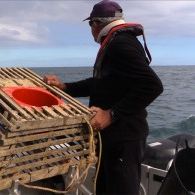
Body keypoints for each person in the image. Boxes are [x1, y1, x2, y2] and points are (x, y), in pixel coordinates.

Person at [43, 0, 163, 194]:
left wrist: (111, 114)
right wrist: (64, 87)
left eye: (91, 25)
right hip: (112, 138)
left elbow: (152, 85)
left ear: (95, 24)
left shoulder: (120, 44)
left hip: (123, 139)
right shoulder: (118, 42)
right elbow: (99, 84)